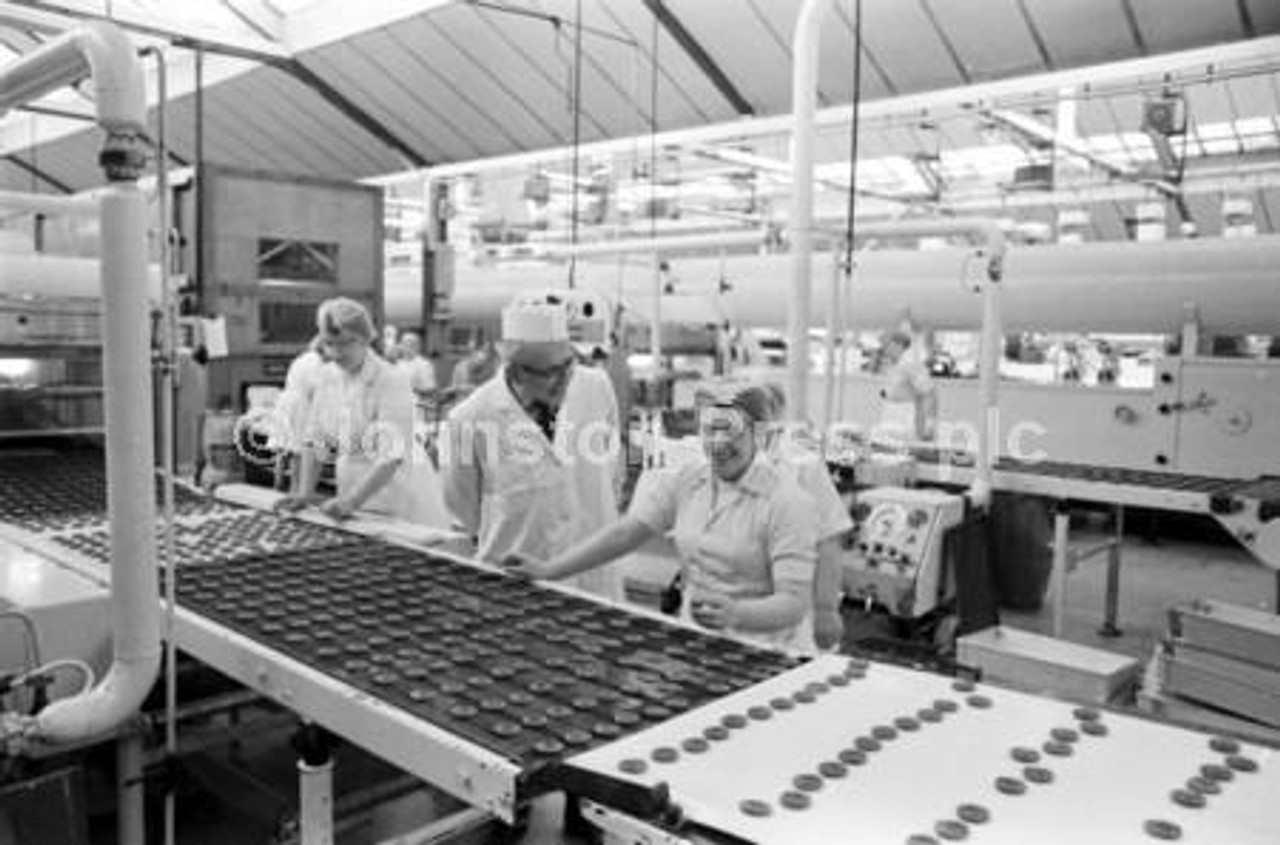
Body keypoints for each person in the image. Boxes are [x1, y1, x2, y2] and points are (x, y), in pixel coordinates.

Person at [509, 382, 819, 651]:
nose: (719, 444)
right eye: (711, 430)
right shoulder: (688, 480)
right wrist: (550, 570)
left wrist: (737, 614)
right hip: (700, 642)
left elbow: (793, 602)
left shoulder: (788, 502)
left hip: (769, 652)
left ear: (759, 435)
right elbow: (625, 534)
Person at [441, 296, 625, 601]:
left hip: (594, 574)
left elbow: (613, 468)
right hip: (518, 580)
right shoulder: (469, 420)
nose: (565, 380)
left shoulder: (595, 386)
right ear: (516, 372)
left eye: (568, 365)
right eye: (551, 372)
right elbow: (463, 506)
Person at [274, 297, 448, 527]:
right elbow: (315, 440)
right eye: (329, 343)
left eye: (346, 343)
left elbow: (391, 455)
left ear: (366, 339)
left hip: (397, 492)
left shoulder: (391, 380)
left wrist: (353, 501)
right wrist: (304, 492)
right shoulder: (326, 376)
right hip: (351, 487)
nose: (336, 352)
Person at [762, 383, 852, 651]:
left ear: (776, 415)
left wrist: (826, 610)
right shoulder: (715, 464)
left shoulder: (802, 466)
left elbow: (828, 539)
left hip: (790, 614)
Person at [875, 329, 939, 444]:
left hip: (906, 415)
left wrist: (930, 424)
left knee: (904, 449)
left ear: (898, 345)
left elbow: (929, 393)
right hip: (890, 413)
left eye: (886, 345)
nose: (883, 349)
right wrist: (886, 393)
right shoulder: (892, 363)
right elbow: (895, 387)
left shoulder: (912, 364)